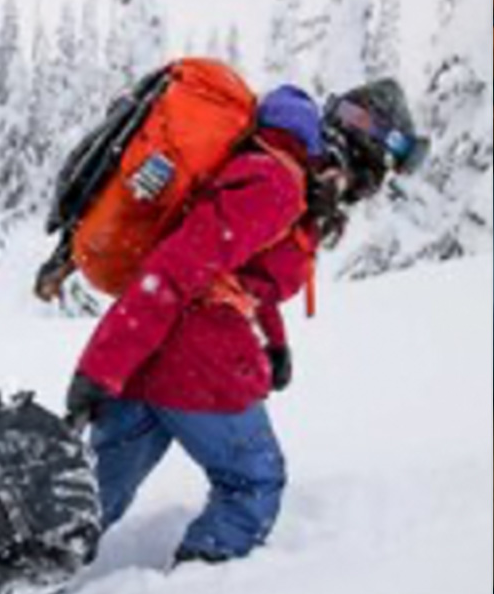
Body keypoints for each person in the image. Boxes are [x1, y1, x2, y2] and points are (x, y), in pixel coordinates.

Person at [64, 77, 427, 565]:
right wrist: (98, 368)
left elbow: (241, 273)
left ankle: (19, 573)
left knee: (87, 501)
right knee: (253, 482)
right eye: (384, 169)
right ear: (369, 155)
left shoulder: (289, 172)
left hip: (146, 357)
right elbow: (174, 270)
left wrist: (275, 341)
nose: (373, 188)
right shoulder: (277, 183)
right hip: (196, 360)